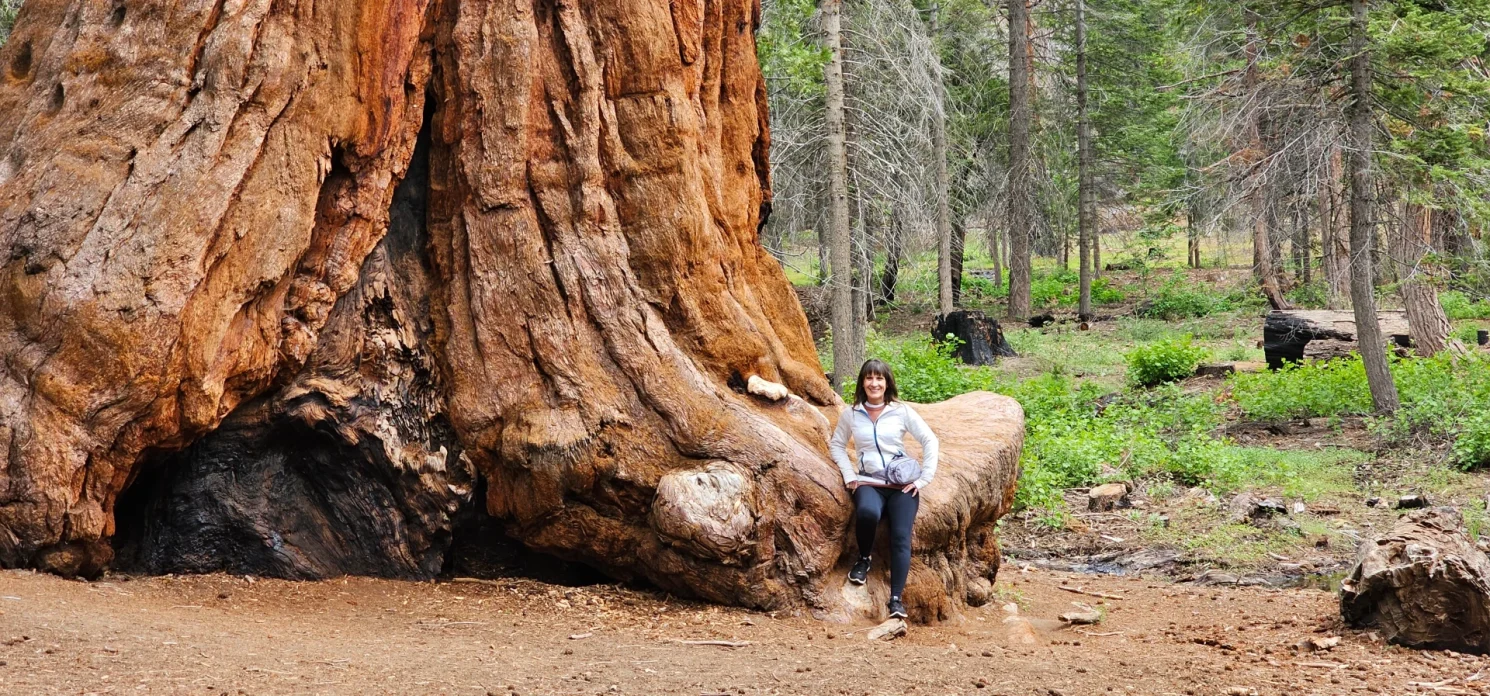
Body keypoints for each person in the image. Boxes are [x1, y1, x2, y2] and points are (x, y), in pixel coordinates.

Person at [828, 359, 939, 620]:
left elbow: (929, 439)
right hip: (869, 482)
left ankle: (896, 601)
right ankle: (864, 559)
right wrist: (849, 474)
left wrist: (924, 478)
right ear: (862, 383)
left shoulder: (900, 411)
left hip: (902, 485)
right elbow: (836, 445)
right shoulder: (852, 413)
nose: (874, 383)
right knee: (867, 512)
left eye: (879, 378)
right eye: (869, 378)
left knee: (901, 537)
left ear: (887, 382)